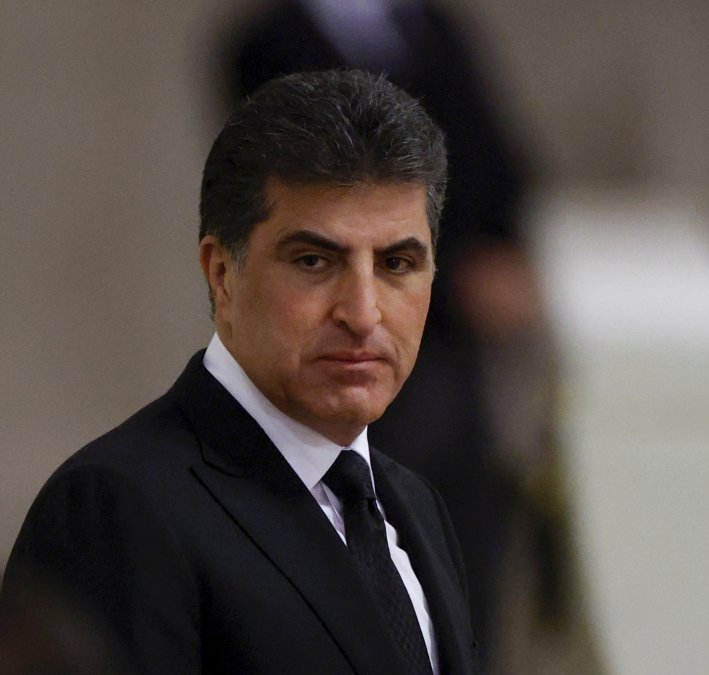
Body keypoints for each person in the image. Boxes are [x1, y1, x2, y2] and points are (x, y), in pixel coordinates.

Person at [2, 70, 477, 674]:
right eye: (314, 260)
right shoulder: (116, 506)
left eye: (397, 263)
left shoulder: (416, 506)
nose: (362, 313)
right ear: (222, 274)